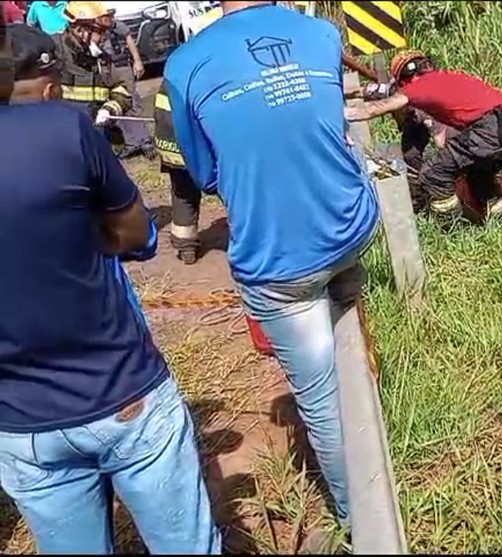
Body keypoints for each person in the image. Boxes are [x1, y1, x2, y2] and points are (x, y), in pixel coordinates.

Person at [0, 23, 221, 554]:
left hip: (21, 424)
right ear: (49, 83)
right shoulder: (64, 130)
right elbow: (136, 233)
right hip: (119, 393)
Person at [164, 0, 380, 528]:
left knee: (322, 397)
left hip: (279, 259)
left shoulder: (185, 64)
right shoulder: (320, 34)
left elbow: (204, 173)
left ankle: (363, 522)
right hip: (352, 226)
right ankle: (372, 409)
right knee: (346, 327)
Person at [345, 49, 502, 225]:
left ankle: (453, 228)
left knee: (433, 174)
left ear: (404, 79)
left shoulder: (416, 88)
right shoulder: (448, 77)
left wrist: (335, 113)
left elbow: (374, 109)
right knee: (479, 175)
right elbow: (377, 90)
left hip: (487, 131)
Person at [152, 5, 224, 265]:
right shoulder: (209, 67)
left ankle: (186, 246)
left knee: (183, 192)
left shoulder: (180, 62)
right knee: (232, 185)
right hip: (191, 141)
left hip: (170, 142)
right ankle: (247, 235)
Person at [49, 1, 131, 125]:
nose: (105, 37)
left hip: (94, 132)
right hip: (63, 129)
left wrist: (109, 110)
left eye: (106, 31)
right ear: (80, 30)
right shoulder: (53, 50)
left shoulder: (103, 59)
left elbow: (122, 91)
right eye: (100, 31)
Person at [98, 7, 152, 158]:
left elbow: (128, 38)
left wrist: (137, 61)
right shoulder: (93, 29)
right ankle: (131, 142)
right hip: (105, 68)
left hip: (121, 66)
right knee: (116, 105)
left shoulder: (116, 26)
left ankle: (145, 141)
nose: (109, 18)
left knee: (132, 103)